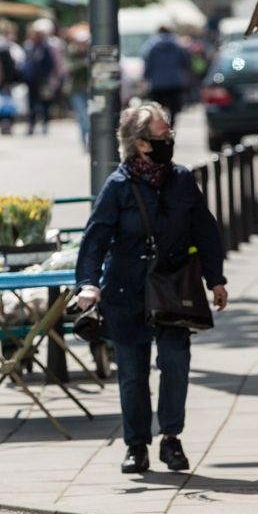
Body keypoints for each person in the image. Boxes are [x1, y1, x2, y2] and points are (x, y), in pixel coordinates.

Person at [75, 103, 228, 475]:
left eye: (169, 135)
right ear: (140, 144)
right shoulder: (118, 186)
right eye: (163, 136)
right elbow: (94, 240)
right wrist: (88, 285)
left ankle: (171, 439)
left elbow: (204, 230)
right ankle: (137, 445)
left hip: (174, 286)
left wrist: (216, 278)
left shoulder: (181, 179)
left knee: (175, 362)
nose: (169, 141)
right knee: (132, 373)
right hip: (126, 290)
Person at [140, 26, 191, 125]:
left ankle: (160, 127)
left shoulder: (151, 46)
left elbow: (148, 64)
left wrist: (145, 78)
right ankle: (170, 126)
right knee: (174, 109)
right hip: (174, 82)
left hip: (157, 83)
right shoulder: (177, 45)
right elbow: (185, 63)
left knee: (157, 109)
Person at [21, 21, 56, 136]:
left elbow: (50, 64)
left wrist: (45, 75)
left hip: (42, 81)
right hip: (31, 81)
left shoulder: (45, 48)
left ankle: (45, 124)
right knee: (31, 104)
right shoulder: (29, 47)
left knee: (44, 103)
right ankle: (31, 125)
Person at [65, 26, 91, 149]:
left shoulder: (90, 53)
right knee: (82, 116)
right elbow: (69, 68)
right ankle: (84, 141)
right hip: (76, 90)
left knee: (89, 115)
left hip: (89, 89)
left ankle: (89, 140)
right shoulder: (71, 53)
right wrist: (83, 64)